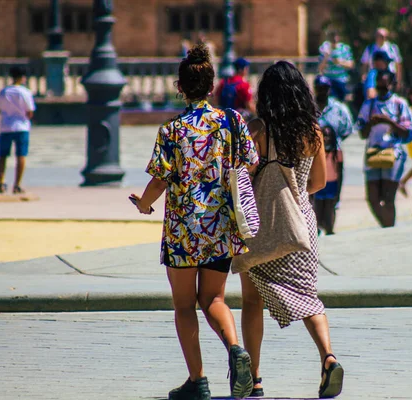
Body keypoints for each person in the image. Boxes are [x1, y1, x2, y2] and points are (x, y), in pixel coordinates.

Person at [131, 44, 259, 400]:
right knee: (215, 298)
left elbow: (159, 180)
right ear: (212, 86)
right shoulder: (232, 120)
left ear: (180, 87)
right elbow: (250, 161)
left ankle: (198, 381)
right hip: (221, 227)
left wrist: (143, 204)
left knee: (185, 305)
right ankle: (236, 348)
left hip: (183, 231)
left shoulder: (171, 131)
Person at [239, 61, 344, 399]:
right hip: (301, 228)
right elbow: (318, 183)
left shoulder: (257, 129)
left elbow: (241, 178)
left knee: (252, 300)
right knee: (307, 297)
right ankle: (327, 357)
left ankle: (254, 378)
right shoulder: (313, 131)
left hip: (260, 228)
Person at [357, 70, 412, 227]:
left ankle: (388, 231)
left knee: (388, 199)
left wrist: (389, 121)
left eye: (385, 86)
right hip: (373, 153)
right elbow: (362, 133)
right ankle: (387, 228)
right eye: (379, 87)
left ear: (393, 85)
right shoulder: (369, 104)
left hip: (393, 154)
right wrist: (370, 123)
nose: (382, 90)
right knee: (373, 198)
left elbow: (408, 134)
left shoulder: (400, 104)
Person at [0, 66, 35, 194]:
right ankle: (17, 185)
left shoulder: (4, 92)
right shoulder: (25, 92)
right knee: (21, 155)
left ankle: (0, 183)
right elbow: (30, 111)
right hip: (21, 126)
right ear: (22, 77)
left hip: (6, 126)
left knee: (2, 156)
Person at [314, 75, 354, 208]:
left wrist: (334, 141)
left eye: (325, 88)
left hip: (334, 151)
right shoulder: (308, 107)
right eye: (319, 88)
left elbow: (348, 129)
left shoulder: (339, 108)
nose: (322, 91)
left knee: (336, 175)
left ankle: (335, 201)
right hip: (314, 153)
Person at [314, 125, 342, 235]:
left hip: (332, 184)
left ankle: (329, 229)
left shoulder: (337, 152)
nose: (326, 138)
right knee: (318, 207)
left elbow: (340, 173)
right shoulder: (316, 151)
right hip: (320, 183)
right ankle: (318, 229)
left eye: (329, 136)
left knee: (330, 208)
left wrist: (339, 191)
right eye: (324, 136)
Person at [318, 30, 354, 102]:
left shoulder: (344, 49)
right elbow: (320, 68)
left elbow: (351, 65)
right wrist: (326, 57)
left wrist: (340, 62)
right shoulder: (324, 49)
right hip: (328, 80)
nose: (334, 39)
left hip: (341, 79)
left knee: (341, 101)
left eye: (336, 36)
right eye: (332, 36)